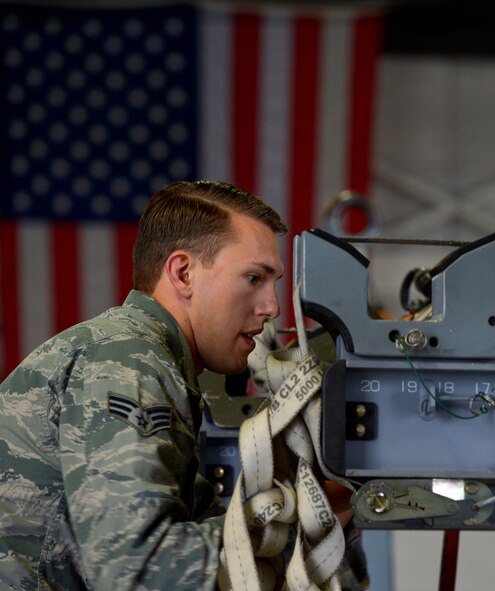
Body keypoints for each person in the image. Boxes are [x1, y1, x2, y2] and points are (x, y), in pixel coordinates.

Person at [0, 180, 287, 589]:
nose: (271, 306)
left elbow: (197, 520)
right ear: (184, 273)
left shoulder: (143, 356)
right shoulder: (129, 360)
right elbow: (136, 568)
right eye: (254, 278)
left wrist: (314, 507)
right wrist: (282, 530)